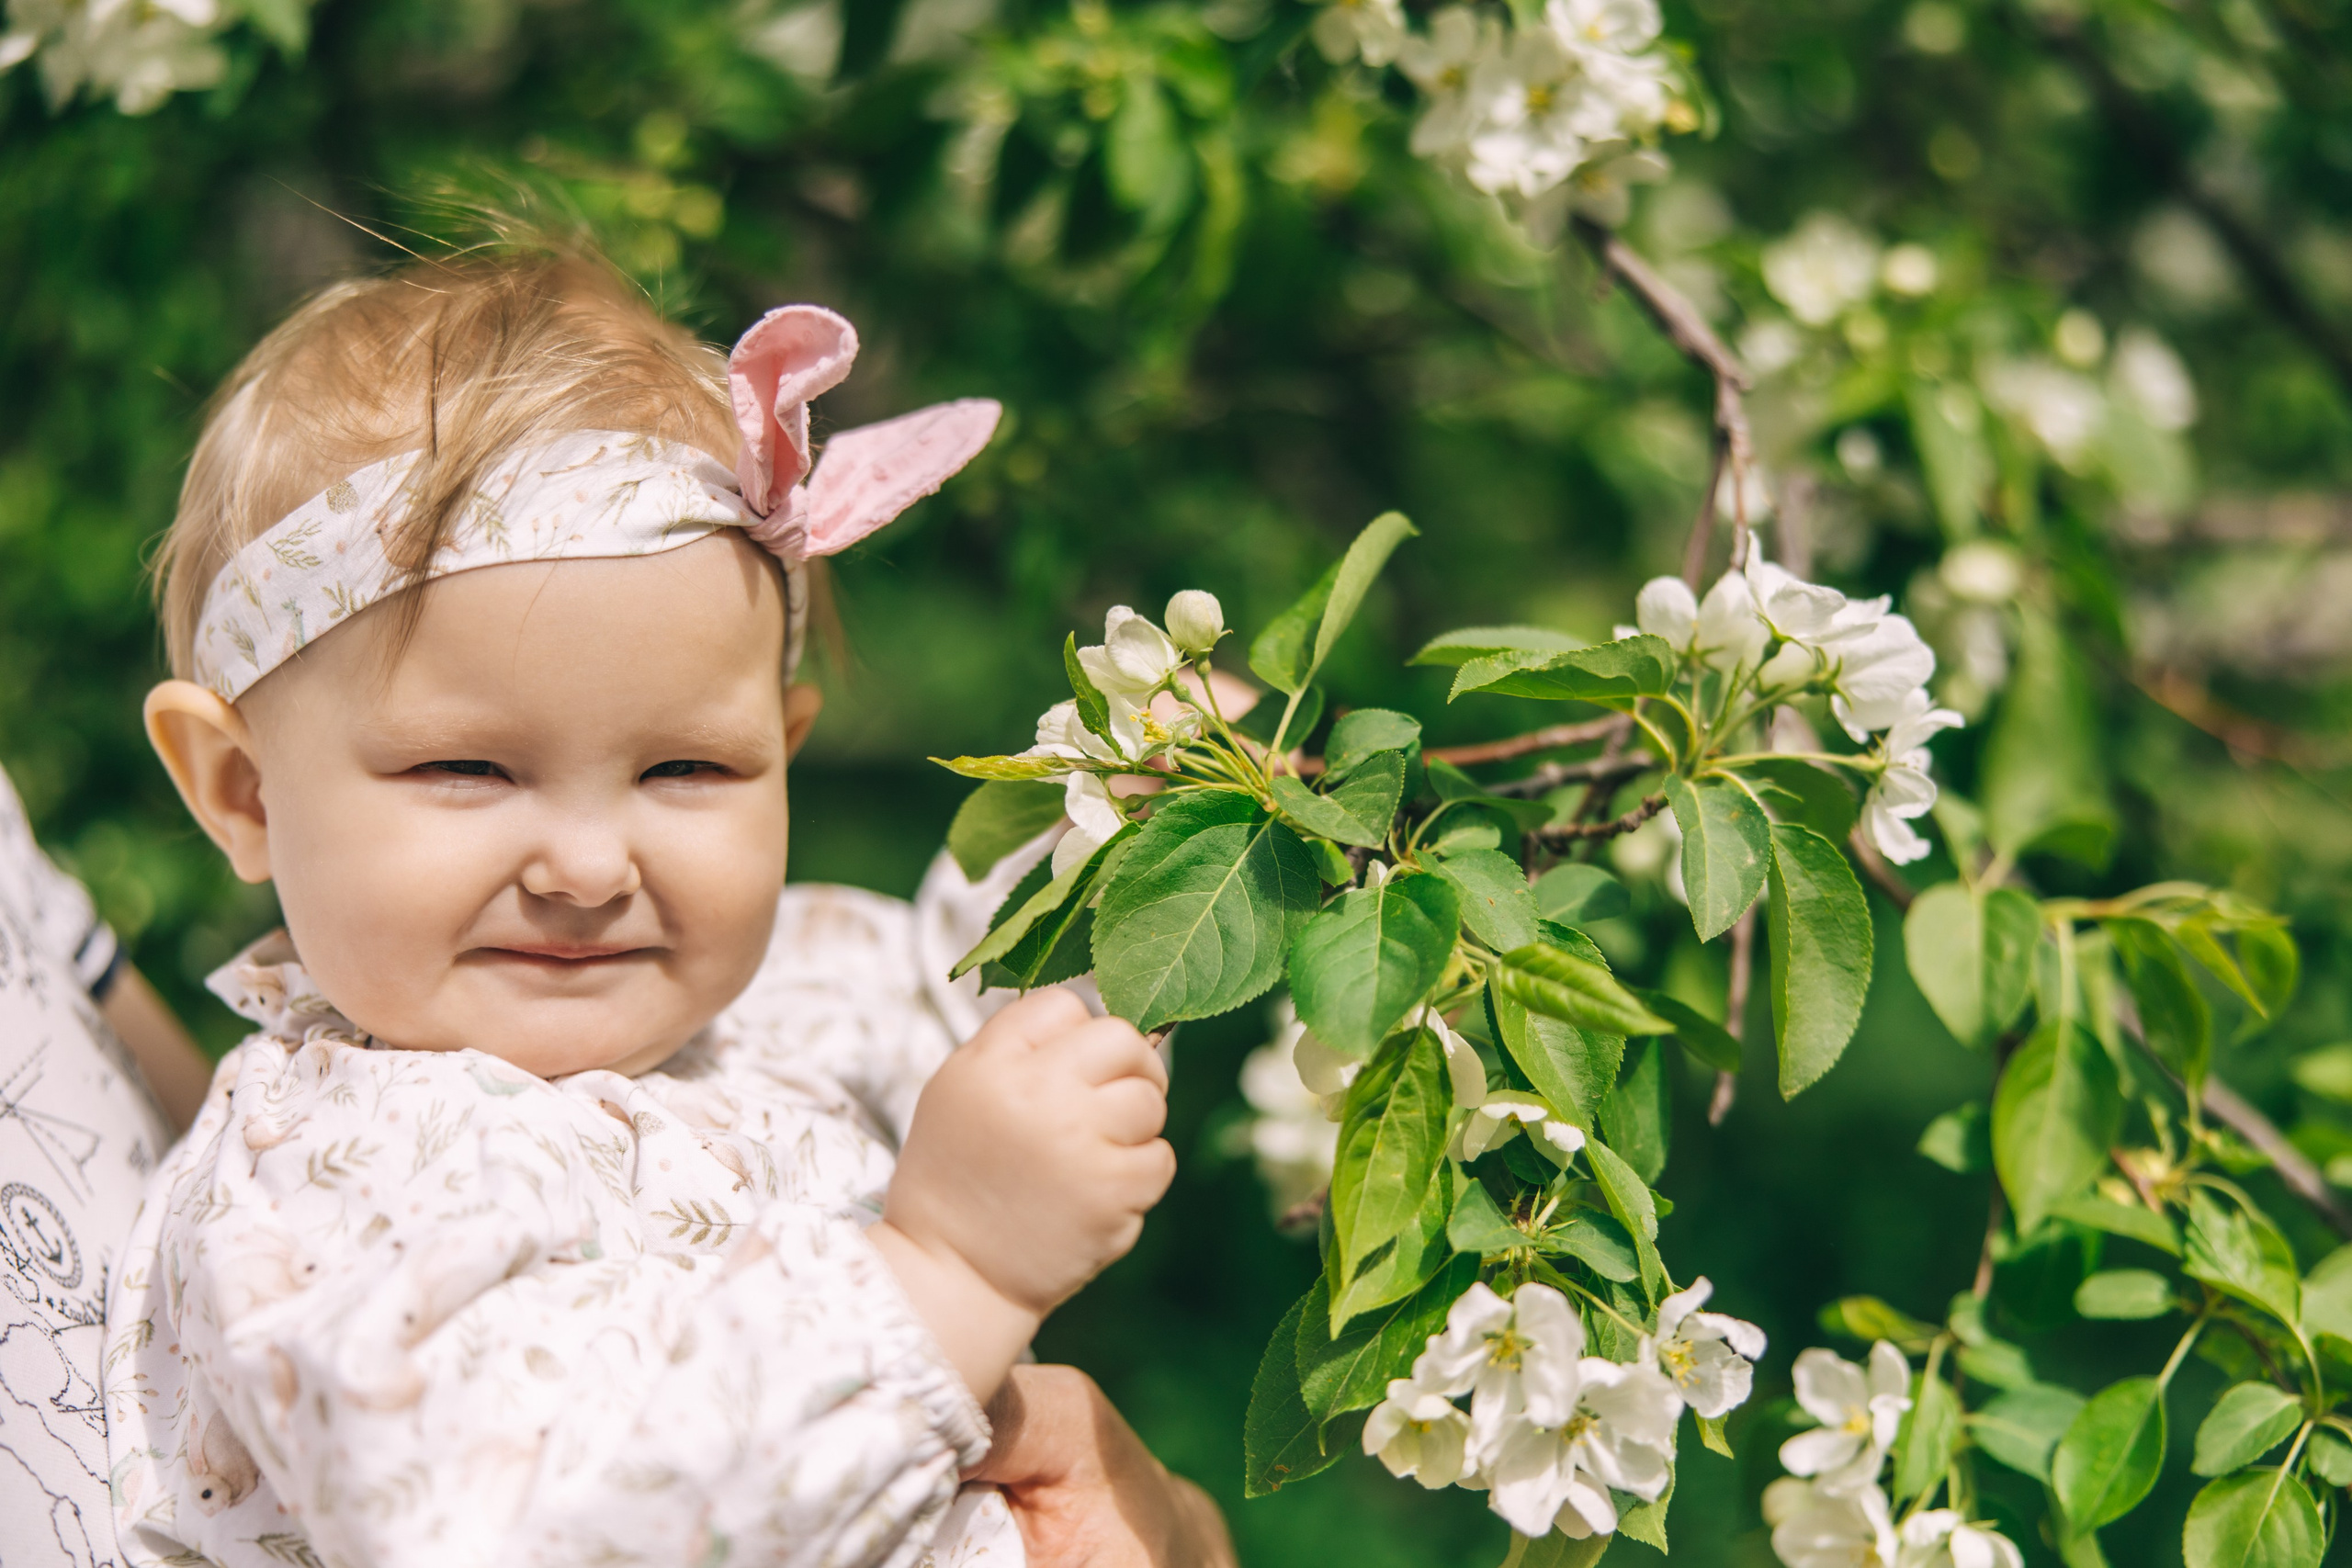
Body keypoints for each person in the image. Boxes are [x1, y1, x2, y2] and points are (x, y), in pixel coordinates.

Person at [100, 244, 1235, 1568]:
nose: (588, 868)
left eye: (687, 768)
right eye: (467, 768)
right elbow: (510, 1532)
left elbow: (962, 995)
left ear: (783, 750)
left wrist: (1139, 828)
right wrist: (947, 1276)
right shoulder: (332, 1179)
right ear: (243, 791)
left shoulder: (772, 991)